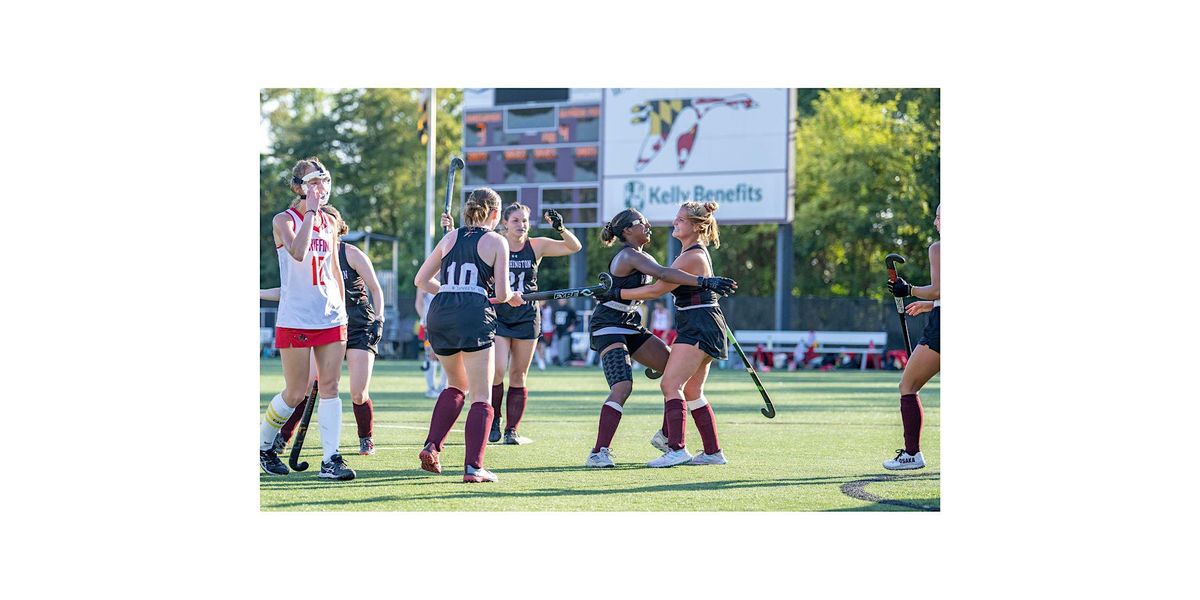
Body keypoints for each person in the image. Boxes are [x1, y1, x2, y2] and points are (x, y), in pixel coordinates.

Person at [584, 207, 737, 468]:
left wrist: (616, 293)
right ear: (627, 230)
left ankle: (673, 441)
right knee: (625, 386)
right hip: (608, 325)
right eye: (641, 222)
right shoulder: (628, 255)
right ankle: (600, 452)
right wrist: (705, 282)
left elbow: (660, 283)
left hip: (637, 324)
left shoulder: (661, 257)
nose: (650, 225)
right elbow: (662, 280)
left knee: (673, 379)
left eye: (680, 220)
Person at [258, 157, 354, 481]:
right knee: (295, 392)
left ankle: (331, 459)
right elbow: (298, 252)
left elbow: (334, 270)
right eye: (313, 182)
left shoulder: (330, 222)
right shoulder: (283, 220)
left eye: (324, 181)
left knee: (330, 386)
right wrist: (311, 213)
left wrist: (343, 309)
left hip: (329, 315)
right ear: (299, 188)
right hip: (296, 317)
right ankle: (263, 445)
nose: (321, 188)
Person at [414, 187, 519, 483]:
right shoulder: (497, 241)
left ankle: (432, 446)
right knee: (481, 395)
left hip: (441, 314)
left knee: (455, 384)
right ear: (496, 214)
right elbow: (500, 293)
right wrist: (511, 296)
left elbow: (421, 280)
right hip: (473, 314)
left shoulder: (450, 237)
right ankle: (474, 467)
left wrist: (452, 291)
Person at [262, 205, 386, 456]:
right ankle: (282, 438)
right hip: (325, 323)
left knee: (358, 392)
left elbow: (375, 287)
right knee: (304, 386)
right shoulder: (308, 255)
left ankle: (366, 437)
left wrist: (379, 318)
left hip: (359, 325)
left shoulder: (351, 254)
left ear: (336, 227)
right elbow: (289, 291)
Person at [487, 204, 582, 445]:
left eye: (525, 221)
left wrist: (560, 228)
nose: (521, 225)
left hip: (527, 316)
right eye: (516, 220)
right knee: (497, 370)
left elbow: (574, 247)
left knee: (518, 374)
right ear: (505, 223)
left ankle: (512, 429)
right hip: (499, 314)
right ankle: (494, 419)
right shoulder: (495, 242)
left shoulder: (536, 245)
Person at [883, 203, 940, 470]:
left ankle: (912, 454)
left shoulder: (939, 248)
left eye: (939, 217)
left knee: (908, 385)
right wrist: (929, 305)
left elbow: (939, 289)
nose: (936, 222)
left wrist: (910, 288)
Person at [415, 288, 448, 398]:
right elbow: (418, 304)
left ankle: (444, 387)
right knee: (429, 356)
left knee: (447, 356)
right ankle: (430, 388)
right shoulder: (424, 279)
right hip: (427, 325)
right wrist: (425, 319)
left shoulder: (446, 278)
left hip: (446, 324)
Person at [552, 298, 578, 366]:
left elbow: (576, 319)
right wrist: (554, 325)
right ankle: (560, 361)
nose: (561, 301)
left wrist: (572, 326)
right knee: (559, 347)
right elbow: (553, 319)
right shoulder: (556, 309)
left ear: (566, 300)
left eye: (563, 300)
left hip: (566, 331)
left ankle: (565, 361)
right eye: (560, 300)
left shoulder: (569, 309)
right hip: (558, 331)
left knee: (565, 347)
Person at [535, 301, 553, 370]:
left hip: (541, 330)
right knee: (536, 347)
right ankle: (539, 361)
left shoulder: (543, 310)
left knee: (542, 346)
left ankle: (541, 362)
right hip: (533, 330)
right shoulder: (534, 309)